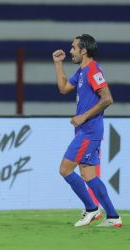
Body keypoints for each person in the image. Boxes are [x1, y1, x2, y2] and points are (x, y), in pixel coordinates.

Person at [52, 34, 122, 227]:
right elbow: (64, 88)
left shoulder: (92, 70)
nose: (71, 51)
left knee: (65, 169)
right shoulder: (82, 72)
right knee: (88, 175)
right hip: (85, 131)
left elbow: (107, 98)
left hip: (89, 131)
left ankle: (91, 209)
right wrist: (58, 64)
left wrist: (84, 116)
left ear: (84, 50)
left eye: (74, 48)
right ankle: (113, 217)